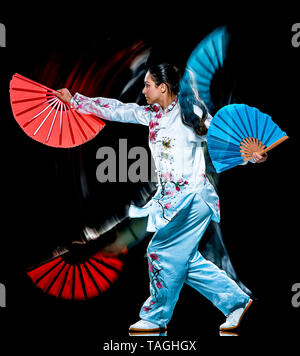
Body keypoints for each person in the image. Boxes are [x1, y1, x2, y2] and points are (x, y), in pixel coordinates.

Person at [55, 63, 267, 335]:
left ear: (163, 88)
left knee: (160, 252)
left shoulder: (192, 114)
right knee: (186, 262)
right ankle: (236, 303)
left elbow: (221, 138)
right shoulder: (152, 116)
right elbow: (117, 109)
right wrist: (75, 100)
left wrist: (251, 154)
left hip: (193, 199)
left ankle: (155, 318)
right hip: (170, 202)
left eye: (148, 85)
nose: (143, 90)